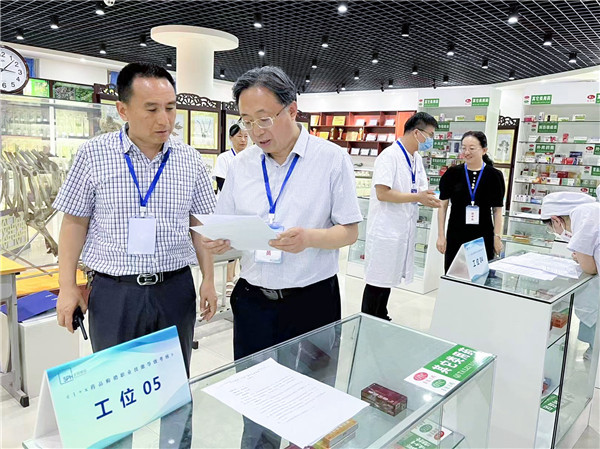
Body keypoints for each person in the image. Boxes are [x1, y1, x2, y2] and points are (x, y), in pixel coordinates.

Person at [53, 62, 218, 376]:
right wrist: (67, 286)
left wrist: (208, 279)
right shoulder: (93, 154)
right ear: (123, 110)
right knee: (116, 383)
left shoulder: (190, 159)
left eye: (170, 107)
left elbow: (199, 225)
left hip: (175, 288)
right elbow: (74, 224)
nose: (164, 119)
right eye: (151, 109)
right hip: (115, 292)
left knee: (172, 382)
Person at [201, 65, 362, 360]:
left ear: (292, 110)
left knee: (311, 383)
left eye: (264, 119)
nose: (256, 131)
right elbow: (227, 226)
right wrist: (221, 241)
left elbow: (350, 231)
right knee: (252, 383)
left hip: (312, 299)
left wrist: (309, 238)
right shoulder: (241, 165)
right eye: (247, 121)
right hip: (252, 299)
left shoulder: (331, 159)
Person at [362, 112, 442, 321]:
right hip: (385, 230)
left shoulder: (416, 159)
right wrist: (417, 197)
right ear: (416, 133)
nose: (431, 140)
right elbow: (383, 193)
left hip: (401, 229)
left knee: (388, 280)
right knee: (377, 281)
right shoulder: (389, 156)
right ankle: (368, 321)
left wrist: (430, 199)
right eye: (430, 135)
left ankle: (382, 316)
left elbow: (420, 189)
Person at [541, 192, 599, 360]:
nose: (556, 232)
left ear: (556, 220)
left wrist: (582, 258)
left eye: (552, 228)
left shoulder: (583, 216)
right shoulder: (591, 211)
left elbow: (590, 268)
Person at [437, 131, 505, 273]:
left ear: (484, 150)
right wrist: (441, 236)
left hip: (483, 235)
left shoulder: (494, 176)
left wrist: (497, 237)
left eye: (472, 148)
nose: (466, 152)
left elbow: (497, 210)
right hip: (456, 233)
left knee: (480, 276)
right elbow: (442, 206)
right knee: (454, 274)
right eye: (464, 148)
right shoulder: (452, 173)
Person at [212, 123, 249, 296]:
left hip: (246, 207)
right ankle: (228, 279)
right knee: (231, 243)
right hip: (230, 207)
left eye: (246, 136)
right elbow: (222, 184)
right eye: (239, 136)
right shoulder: (225, 158)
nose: (243, 140)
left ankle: (239, 277)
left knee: (245, 243)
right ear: (231, 138)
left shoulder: (252, 157)